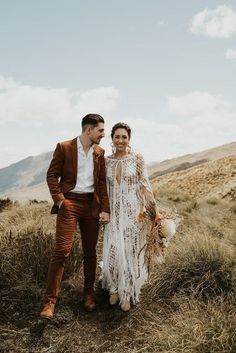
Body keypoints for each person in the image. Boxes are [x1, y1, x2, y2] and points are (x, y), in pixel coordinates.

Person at [40, 113, 110, 320]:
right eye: (100, 130)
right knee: (61, 251)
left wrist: (104, 208)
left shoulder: (100, 152)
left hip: (91, 205)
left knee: (90, 252)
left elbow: (101, 183)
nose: (103, 135)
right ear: (89, 130)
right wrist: (60, 200)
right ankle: (50, 302)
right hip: (69, 203)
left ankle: (88, 295)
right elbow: (52, 175)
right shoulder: (64, 147)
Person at [102, 122, 162, 312]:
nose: (120, 140)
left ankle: (127, 291)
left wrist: (154, 210)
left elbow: (145, 186)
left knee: (129, 252)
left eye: (124, 137)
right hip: (113, 213)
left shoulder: (137, 159)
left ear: (129, 139)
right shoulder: (106, 161)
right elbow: (103, 188)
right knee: (112, 251)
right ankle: (113, 286)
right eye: (117, 137)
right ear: (112, 139)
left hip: (133, 213)